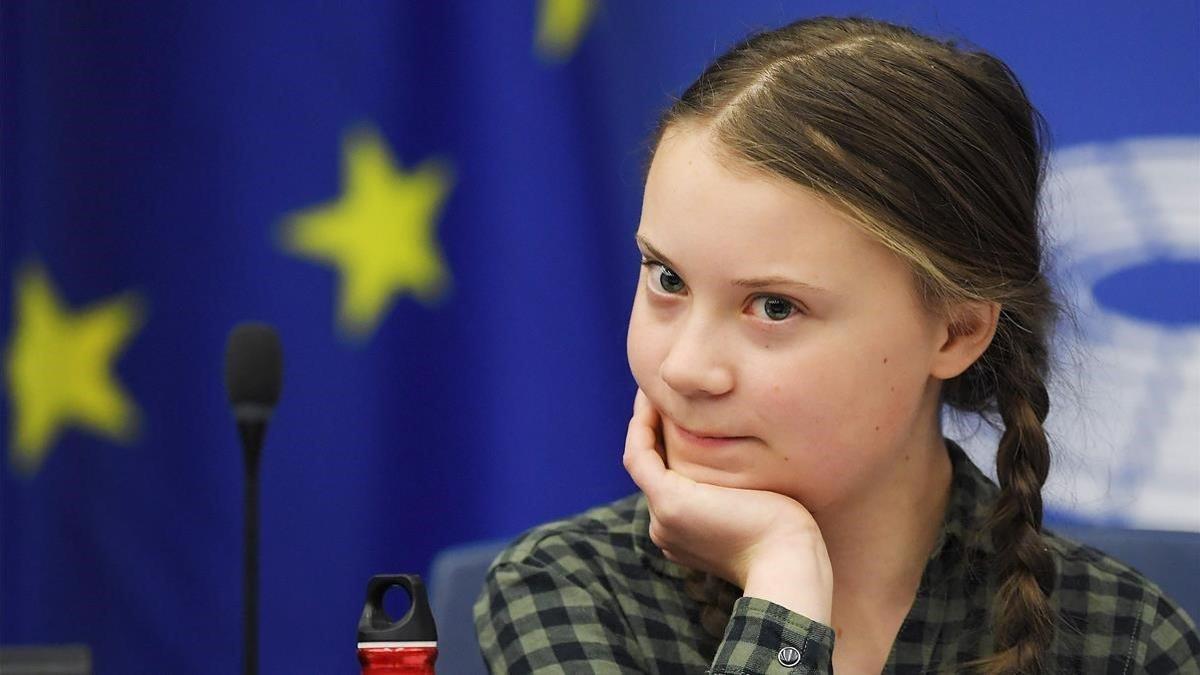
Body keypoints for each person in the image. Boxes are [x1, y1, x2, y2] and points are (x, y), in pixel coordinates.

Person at [473, 15, 1200, 674]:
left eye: (775, 306)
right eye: (667, 278)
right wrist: (785, 583)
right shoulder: (563, 588)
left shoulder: (1125, 640)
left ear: (956, 329)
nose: (686, 367)